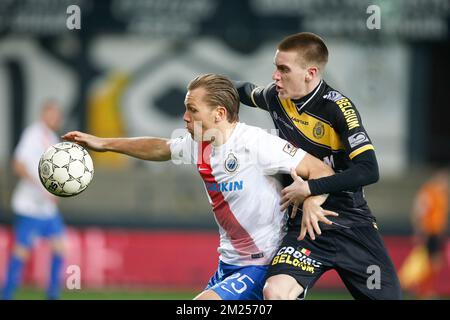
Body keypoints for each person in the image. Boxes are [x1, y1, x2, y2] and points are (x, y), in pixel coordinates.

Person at [62, 73, 336, 300]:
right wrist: (104, 143)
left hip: (263, 264)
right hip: (229, 264)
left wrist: (311, 199)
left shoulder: (255, 143)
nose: (184, 117)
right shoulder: (200, 143)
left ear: (219, 113)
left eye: (192, 109)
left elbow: (321, 170)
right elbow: (160, 147)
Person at [234, 32, 402, 299]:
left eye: (283, 69)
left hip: (350, 222)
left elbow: (369, 170)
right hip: (305, 226)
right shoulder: (277, 97)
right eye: (276, 67)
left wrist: (311, 187)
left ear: (310, 73)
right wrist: (210, 87)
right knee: (275, 292)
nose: (275, 76)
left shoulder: (338, 108)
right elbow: (244, 91)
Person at [2, 101, 66, 300]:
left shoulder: (53, 139)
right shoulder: (33, 134)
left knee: (61, 247)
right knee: (22, 251)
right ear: (44, 114)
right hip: (29, 206)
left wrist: (56, 190)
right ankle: (7, 294)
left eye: (58, 115)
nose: (57, 119)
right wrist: (41, 187)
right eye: (53, 114)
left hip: (46, 207)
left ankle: (53, 294)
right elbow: (18, 165)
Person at [399, 169, 449, 298]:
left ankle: (426, 290)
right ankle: (421, 290)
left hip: (437, 233)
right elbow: (419, 212)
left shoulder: (441, 194)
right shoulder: (428, 192)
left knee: (435, 263)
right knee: (427, 263)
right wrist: (420, 231)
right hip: (428, 232)